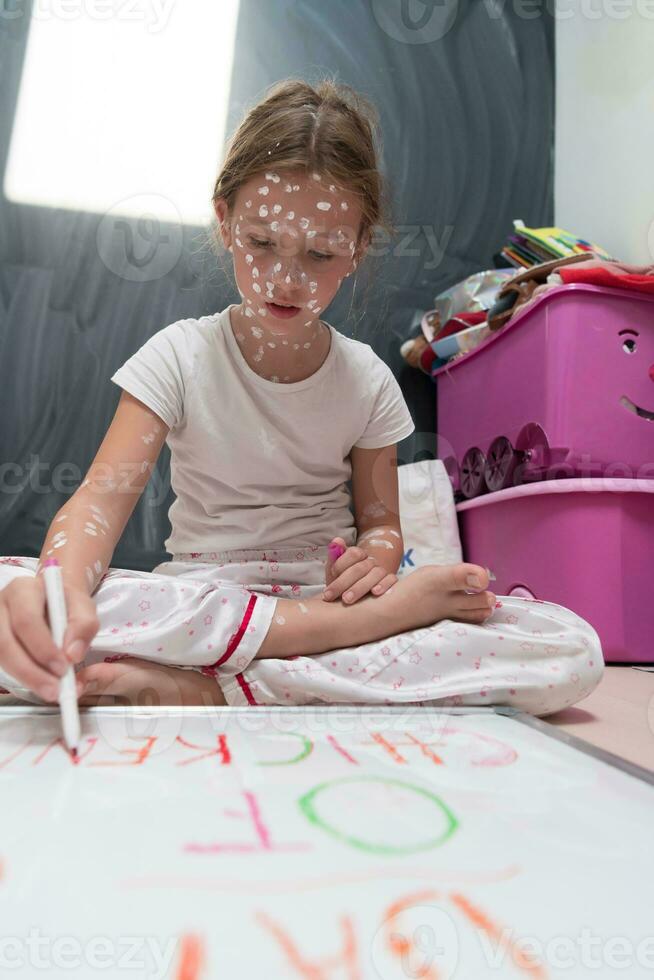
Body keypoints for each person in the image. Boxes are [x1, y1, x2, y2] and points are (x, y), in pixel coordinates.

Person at [0, 78, 603, 714]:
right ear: (225, 220)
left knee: (569, 649)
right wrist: (57, 592)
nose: (286, 279)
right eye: (262, 243)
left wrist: (376, 559)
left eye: (320, 253)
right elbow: (99, 500)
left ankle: (214, 686)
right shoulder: (177, 355)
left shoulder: (366, 378)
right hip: (211, 601)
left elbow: (380, 528)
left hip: (327, 598)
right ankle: (277, 676)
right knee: (15, 596)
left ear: (358, 249)